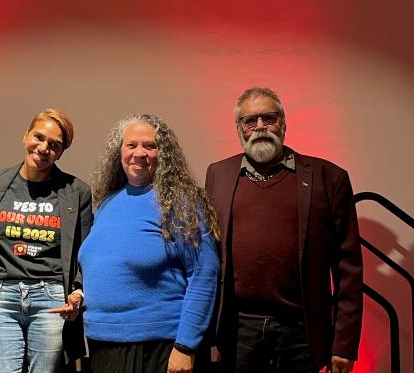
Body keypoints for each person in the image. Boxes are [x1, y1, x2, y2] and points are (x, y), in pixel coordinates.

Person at [205, 87, 363, 373]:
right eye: (250, 120)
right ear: (239, 128)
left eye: (269, 117)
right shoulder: (218, 174)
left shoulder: (328, 178)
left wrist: (344, 343)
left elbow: (348, 268)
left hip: (301, 332)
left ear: (284, 123)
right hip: (238, 332)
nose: (260, 127)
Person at [0, 108, 92, 373]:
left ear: (61, 152)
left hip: (51, 298)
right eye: (39, 137)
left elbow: (84, 251)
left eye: (54, 145)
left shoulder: (76, 192)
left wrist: (78, 292)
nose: (44, 148)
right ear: (26, 136)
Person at [79, 114, 220, 373]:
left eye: (150, 146)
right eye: (131, 145)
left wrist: (186, 347)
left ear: (163, 154)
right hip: (102, 345)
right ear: (118, 151)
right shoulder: (106, 203)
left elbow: (204, 274)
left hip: (159, 348)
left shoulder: (180, 203)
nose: (139, 153)